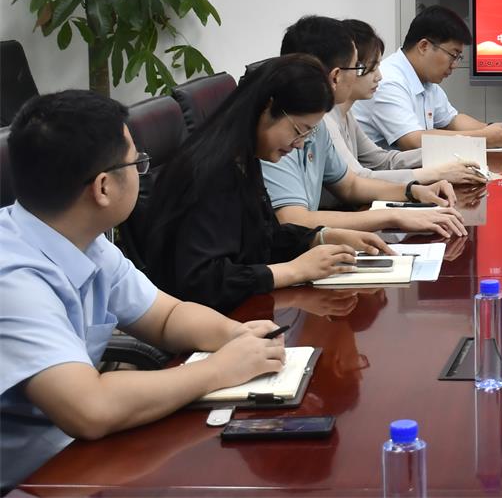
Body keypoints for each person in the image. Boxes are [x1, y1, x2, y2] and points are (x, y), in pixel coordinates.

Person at [0, 91, 287, 490]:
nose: (142, 172)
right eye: (137, 163)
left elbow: (167, 316)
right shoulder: (12, 279)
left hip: (80, 459)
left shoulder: (84, 239)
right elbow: (89, 408)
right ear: (103, 188)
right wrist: (220, 369)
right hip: (32, 479)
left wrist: (234, 335)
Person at [141, 55, 392, 314]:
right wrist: (294, 271)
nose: (299, 144)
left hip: (243, 310)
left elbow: (263, 236)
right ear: (267, 107)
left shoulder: (244, 157)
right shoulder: (211, 173)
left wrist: (321, 237)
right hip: (206, 320)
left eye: (308, 134)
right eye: (298, 130)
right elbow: (203, 280)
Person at [267, 18, 469, 238]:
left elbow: (351, 184)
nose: (377, 76)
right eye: (361, 67)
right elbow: (293, 220)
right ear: (335, 76)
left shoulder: (319, 123)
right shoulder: (278, 126)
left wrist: (412, 191)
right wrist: (393, 215)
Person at [330, 18, 486, 187]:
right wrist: (435, 173)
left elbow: (384, 160)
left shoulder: (346, 115)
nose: (379, 76)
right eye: (371, 68)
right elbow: (357, 180)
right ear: (337, 73)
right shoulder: (327, 119)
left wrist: (451, 153)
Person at [353, 5, 502, 152]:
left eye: (458, 58)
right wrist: (484, 137)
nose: (454, 65)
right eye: (453, 55)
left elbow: (452, 120)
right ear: (424, 46)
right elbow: (413, 141)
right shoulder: (389, 81)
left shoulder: (425, 80)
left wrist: (499, 130)